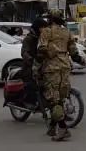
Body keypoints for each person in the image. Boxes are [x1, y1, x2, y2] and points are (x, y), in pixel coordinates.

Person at [37, 10, 80, 141]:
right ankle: (52, 126)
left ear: (50, 19)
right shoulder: (67, 32)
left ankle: (63, 129)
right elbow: (74, 52)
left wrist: (37, 66)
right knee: (60, 98)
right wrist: (82, 60)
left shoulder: (46, 31)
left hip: (52, 68)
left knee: (53, 100)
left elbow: (41, 50)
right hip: (65, 68)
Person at [20, 16, 49, 109]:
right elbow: (24, 52)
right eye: (42, 27)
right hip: (30, 66)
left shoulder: (43, 39)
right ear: (37, 28)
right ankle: (29, 101)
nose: (44, 30)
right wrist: (31, 60)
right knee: (32, 82)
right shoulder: (29, 39)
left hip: (42, 66)